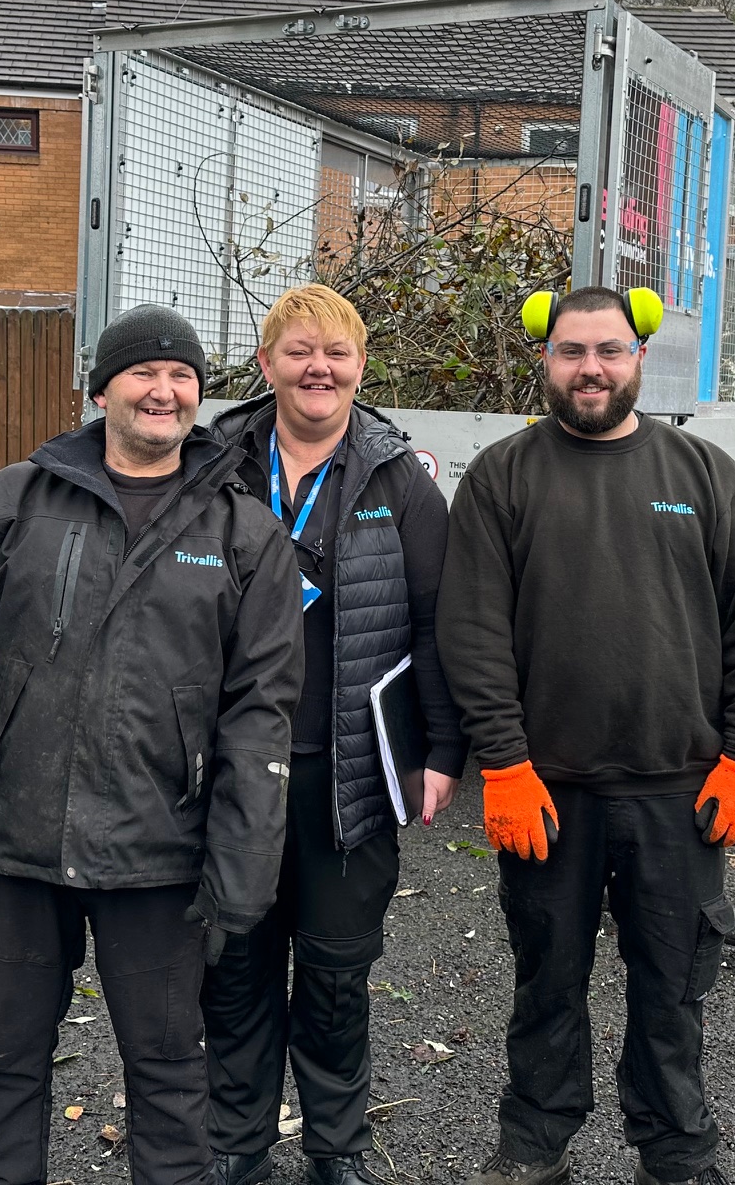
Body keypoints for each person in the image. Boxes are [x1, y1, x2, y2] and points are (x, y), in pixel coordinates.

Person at [0, 304, 304, 1185]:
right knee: (4, 1063)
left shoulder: (246, 535)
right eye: (144, 373)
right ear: (101, 389)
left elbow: (259, 717)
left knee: (167, 1073)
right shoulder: (12, 502)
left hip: (159, 860)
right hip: (16, 848)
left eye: (182, 378)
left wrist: (243, 867)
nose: (164, 391)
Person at [438, 285, 735, 1185]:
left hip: (679, 791)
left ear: (639, 358)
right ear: (545, 359)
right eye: (570, 352)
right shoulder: (502, 478)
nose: (589, 368)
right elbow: (472, 633)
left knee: (673, 989)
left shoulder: (708, 478)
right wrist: (505, 767)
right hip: (546, 792)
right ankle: (533, 1143)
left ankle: (675, 1151)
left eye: (607, 351)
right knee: (545, 980)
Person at [205, 284, 467, 1185]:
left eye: (338, 353)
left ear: (360, 368)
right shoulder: (216, 466)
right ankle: (238, 1146)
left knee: (333, 976)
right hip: (233, 770)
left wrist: (441, 753)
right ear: (268, 362)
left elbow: (437, 623)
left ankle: (337, 1148)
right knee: (233, 965)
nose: (319, 369)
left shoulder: (400, 480)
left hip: (345, 774)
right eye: (300, 350)